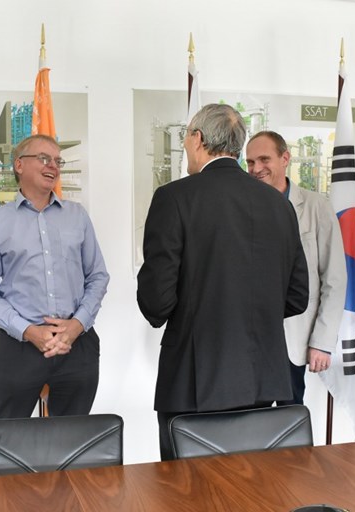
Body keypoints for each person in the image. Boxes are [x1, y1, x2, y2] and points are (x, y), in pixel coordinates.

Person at [137, 103, 310, 460]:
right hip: (265, 379)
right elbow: (297, 296)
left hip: (194, 380)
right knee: (255, 492)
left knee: (189, 496)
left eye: (186, 137)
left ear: (198, 138)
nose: (186, 145)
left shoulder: (173, 198)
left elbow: (156, 302)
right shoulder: (279, 204)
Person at [0, 134, 109, 419]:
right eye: (44, 159)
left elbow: (97, 276)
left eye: (57, 161)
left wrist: (77, 325)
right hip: (20, 346)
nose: (54, 166)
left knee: (73, 441)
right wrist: (28, 331)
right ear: (19, 165)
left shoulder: (77, 216)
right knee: (5, 440)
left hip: (76, 344)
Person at [245, 130, 346, 404]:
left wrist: (323, 342)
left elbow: (334, 280)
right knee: (247, 426)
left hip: (295, 339)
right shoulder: (241, 207)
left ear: (285, 158)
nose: (256, 168)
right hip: (249, 342)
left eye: (264, 159)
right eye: (250, 162)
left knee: (290, 425)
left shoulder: (317, 207)